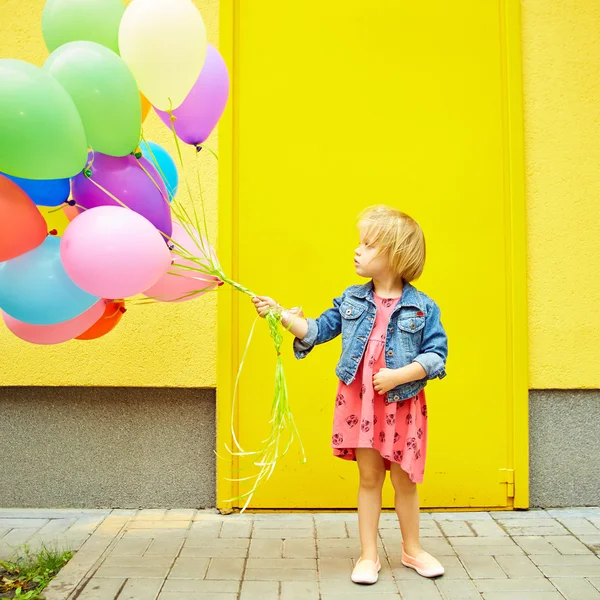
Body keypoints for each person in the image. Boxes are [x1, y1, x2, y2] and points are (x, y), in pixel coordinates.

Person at [252, 205, 448, 585]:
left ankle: (412, 549)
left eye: (368, 244)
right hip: (363, 407)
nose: (357, 250)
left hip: (402, 406)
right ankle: (368, 555)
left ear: (394, 254)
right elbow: (317, 330)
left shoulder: (423, 307)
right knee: (369, 478)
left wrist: (399, 376)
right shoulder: (351, 300)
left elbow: (436, 356)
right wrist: (280, 315)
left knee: (405, 481)